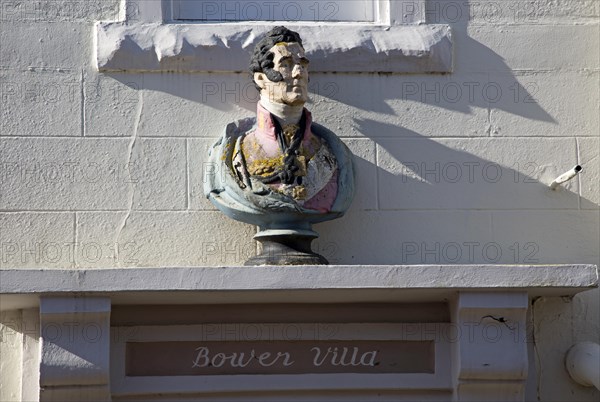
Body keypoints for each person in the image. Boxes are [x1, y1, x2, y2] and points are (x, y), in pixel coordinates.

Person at [204, 26, 354, 264]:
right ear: (261, 78)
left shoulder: (333, 154)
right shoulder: (233, 151)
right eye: (285, 64)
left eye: (303, 64)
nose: (298, 73)